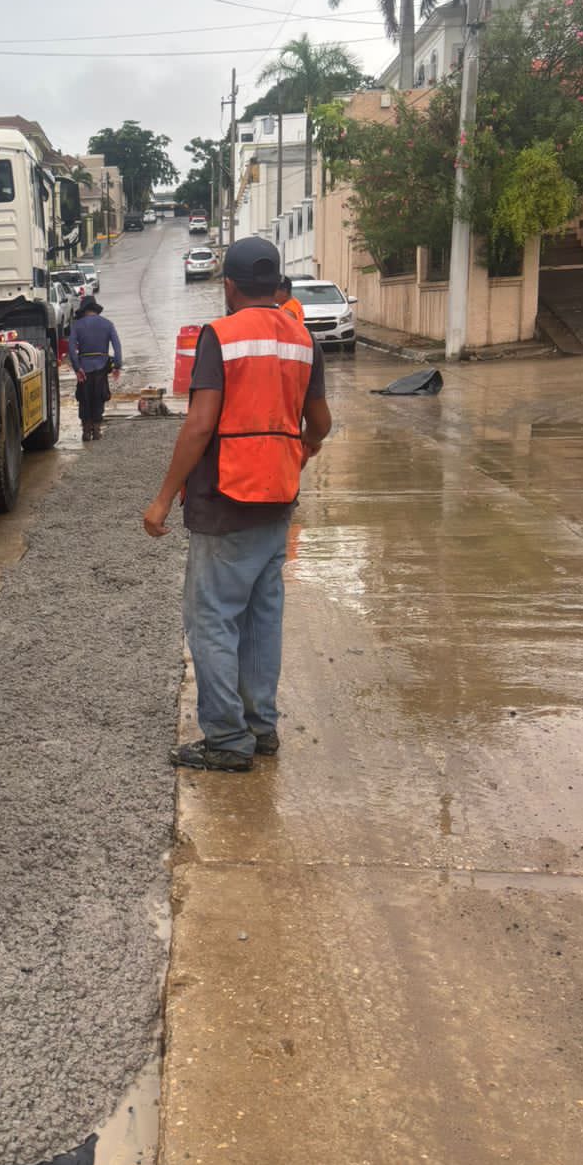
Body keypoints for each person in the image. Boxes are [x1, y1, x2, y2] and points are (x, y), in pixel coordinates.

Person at [142, 237, 332, 772]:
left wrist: (161, 500)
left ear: (228, 286)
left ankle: (226, 741)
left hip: (224, 500)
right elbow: (320, 423)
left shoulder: (219, 336)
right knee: (260, 619)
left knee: (212, 620)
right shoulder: (302, 339)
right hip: (277, 500)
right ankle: (259, 727)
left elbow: (200, 424)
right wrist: (301, 447)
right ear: (276, 285)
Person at [68, 297, 122, 442]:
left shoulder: (77, 326)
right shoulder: (108, 324)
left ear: (84, 311)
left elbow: (71, 350)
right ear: (96, 309)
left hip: (84, 368)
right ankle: (97, 431)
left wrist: (77, 368)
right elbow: (117, 346)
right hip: (101, 366)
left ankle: (86, 431)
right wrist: (117, 365)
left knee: (84, 398)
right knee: (99, 396)